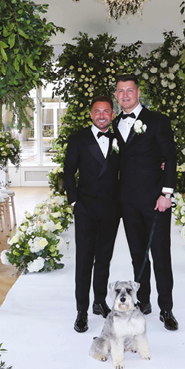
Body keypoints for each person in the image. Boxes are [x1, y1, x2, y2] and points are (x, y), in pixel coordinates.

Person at [113, 74, 179, 331]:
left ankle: (167, 309)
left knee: (161, 256)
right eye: (121, 91)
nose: (125, 95)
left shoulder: (157, 121)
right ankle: (145, 301)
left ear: (138, 93)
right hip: (128, 202)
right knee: (137, 256)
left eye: (130, 90)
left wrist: (167, 194)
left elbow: (170, 157)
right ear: (117, 95)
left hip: (155, 201)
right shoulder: (115, 123)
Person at [64, 96, 121, 333]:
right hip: (86, 208)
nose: (101, 115)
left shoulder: (120, 138)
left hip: (111, 209)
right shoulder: (78, 139)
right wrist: (75, 201)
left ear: (112, 114)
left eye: (106, 111)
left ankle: (99, 302)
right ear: (90, 114)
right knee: (84, 260)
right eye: (97, 111)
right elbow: (68, 173)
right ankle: (81, 310)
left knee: (104, 259)